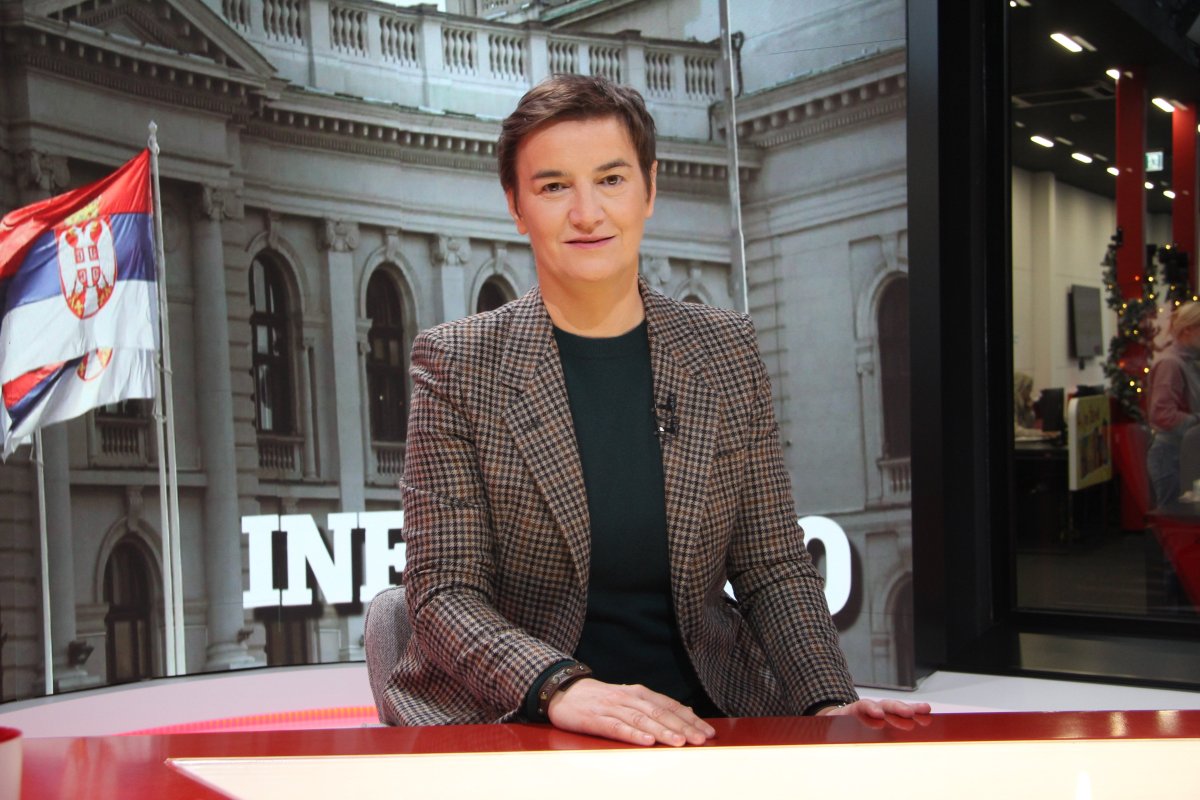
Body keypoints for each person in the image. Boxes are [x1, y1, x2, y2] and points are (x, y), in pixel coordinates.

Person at [384, 74, 928, 746]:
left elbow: (772, 567)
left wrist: (826, 702)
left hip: (702, 716)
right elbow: (444, 592)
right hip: (522, 718)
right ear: (516, 205)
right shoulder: (459, 364)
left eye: (611, 179)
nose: (587, 213)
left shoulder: (725, 351)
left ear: (649, 189)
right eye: (554, 187)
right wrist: (562, 688)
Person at [1146, 301, 1200, 507]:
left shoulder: (1190, 362)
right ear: (1188, 329)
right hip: (1171, 457)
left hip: (1185, 453)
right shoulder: (1171, 363)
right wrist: (1197, 421)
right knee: (1177, 519)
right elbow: (1162, 414)